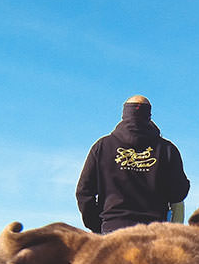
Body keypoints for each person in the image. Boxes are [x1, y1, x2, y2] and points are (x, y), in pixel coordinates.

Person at [75, 95, 190, 234]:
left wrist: (98, 226)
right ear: (149, 115)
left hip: (112, 233)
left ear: (124, 114)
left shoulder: (102, 147)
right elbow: (179, 194)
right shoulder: (167, 150)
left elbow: (83, 192)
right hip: (154, 236)